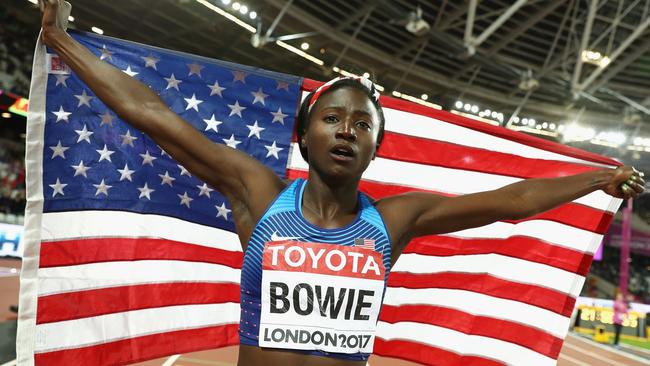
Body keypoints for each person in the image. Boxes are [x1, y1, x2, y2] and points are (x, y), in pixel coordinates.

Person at [38, 1, 646, 365]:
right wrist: (63, 40)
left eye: (362, 125)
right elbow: (156, 117)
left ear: (375, 150)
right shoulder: (261, 193)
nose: (346, 130)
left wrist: (598, 177)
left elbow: (509, 202)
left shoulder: (393, 220)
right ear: (305, 136)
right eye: (332, 118)